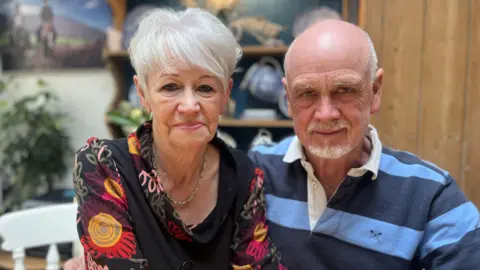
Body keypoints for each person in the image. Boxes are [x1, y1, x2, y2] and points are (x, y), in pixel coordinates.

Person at [248, 19, 480, 269]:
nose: (326, 114)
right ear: (288, 99)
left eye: (345, 89)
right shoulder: (255, 171)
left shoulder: (432, 195)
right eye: (307, 93)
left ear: (375, 92)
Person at [71, 8, 285, 270]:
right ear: (142, 92)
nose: (189, 105)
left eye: (205, 87)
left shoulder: (245, 176)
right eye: (170, 87)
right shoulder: (103, 166)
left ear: (226, 93)